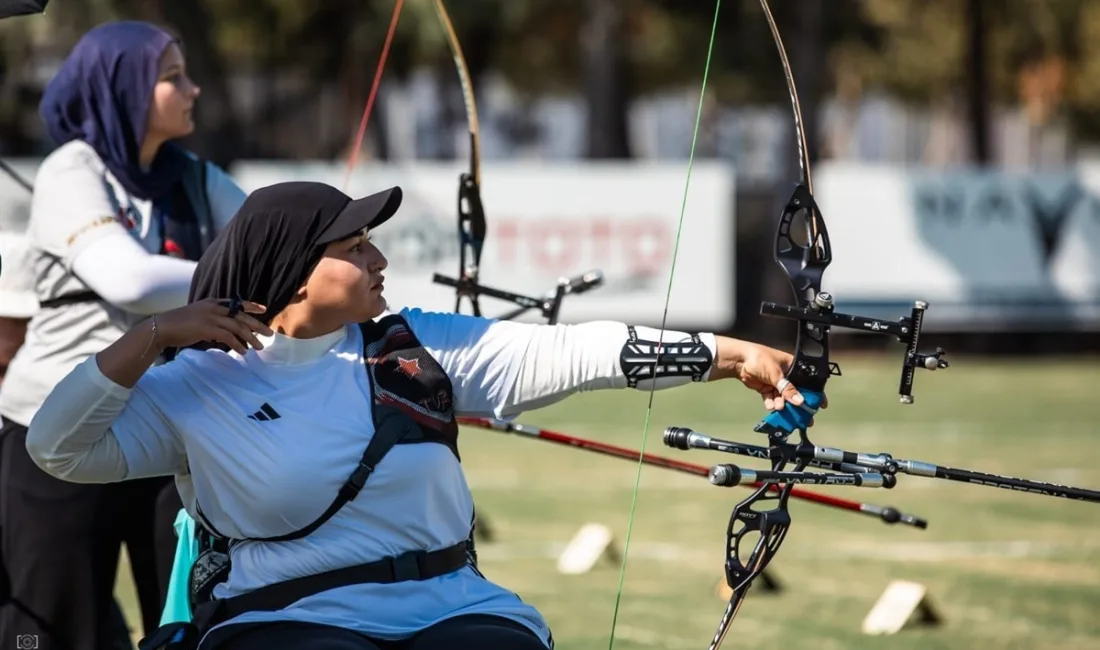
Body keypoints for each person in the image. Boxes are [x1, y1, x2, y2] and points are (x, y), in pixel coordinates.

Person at [23, 180, 822, 650]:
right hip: (285, 620)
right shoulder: (197, 384)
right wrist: (152, 337)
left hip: (455, 611)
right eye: (355, 245)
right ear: (295, 275)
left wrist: (728, 353)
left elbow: (567, 353)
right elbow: (59, 448)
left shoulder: (412, 345)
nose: (378, 259)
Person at [0, 20, 248, 650]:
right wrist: (239, 287)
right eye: (172, 78)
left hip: (170, 432)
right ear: (123, 89)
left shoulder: (195, 176)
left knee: (192, 626)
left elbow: (269, 237)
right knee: (50, 629)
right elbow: (129, 280)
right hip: (53, 428)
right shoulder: (71, 169)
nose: (192, 90)